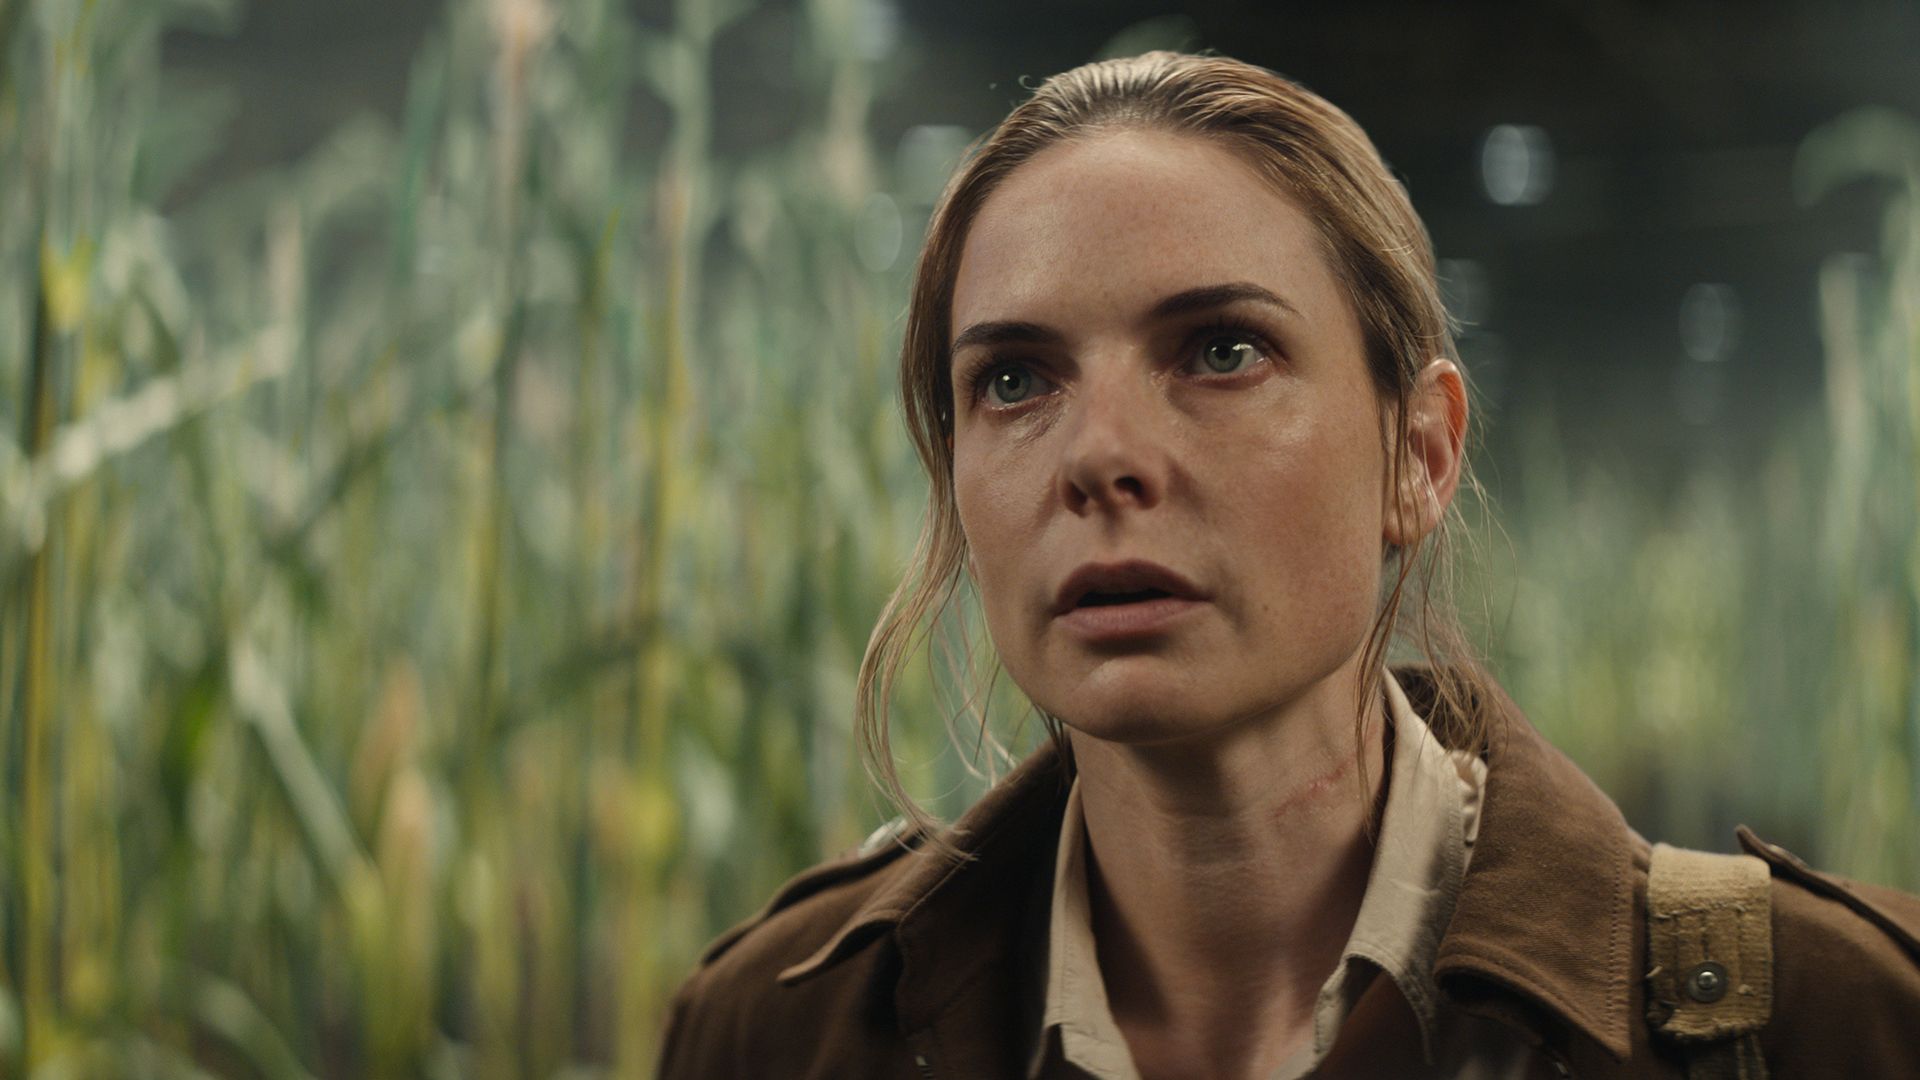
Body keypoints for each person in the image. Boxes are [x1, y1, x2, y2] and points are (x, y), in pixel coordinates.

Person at [657, 50, 1920, 1079]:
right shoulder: (779, 1033)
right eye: (1015, 380)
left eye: (1219, 352)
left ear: (1417, 455)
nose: (1099, 460)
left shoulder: (1826, 1021)